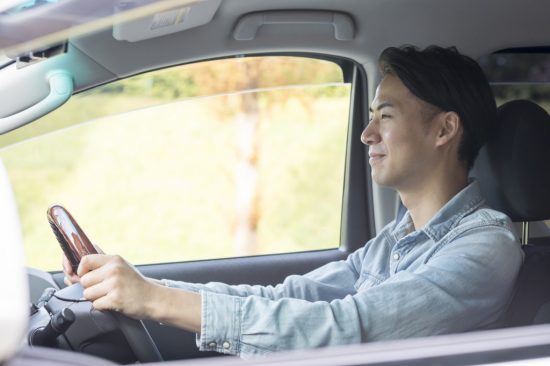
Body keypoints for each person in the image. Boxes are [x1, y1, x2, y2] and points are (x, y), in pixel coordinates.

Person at [63, 45, 523, 358]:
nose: (367, 135)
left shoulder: (485, 249)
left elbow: (348, 329)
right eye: (370, 117)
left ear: (444, 130)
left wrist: (155, 301)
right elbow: (290, 296)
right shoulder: (399, 238)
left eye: (385, 116)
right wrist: (140, 287)